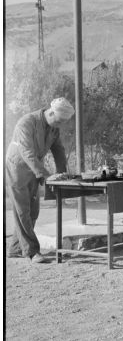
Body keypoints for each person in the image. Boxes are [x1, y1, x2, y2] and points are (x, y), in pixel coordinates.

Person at [6, 97, 75, 263]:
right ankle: (31, 251)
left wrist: (62, 174)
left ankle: (16, 248)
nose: (60, 126)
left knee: (33, 211)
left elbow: (58, 150)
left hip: (34, 169)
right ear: (51, 113)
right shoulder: (27, 122)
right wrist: (46, 175)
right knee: (22, 210)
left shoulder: (53, 127)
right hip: (18, 168)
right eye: (59, 121)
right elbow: (27, 153)